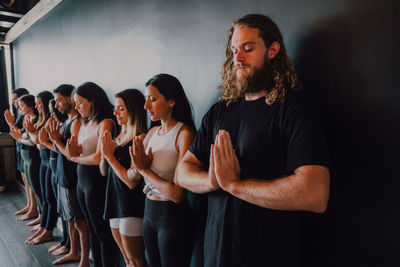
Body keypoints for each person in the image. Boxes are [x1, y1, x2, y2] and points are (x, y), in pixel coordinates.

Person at [177, 14, 330, 267]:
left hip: (268, 255)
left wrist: (235, 185)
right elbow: (182, 172)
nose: (237, 58)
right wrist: (212, 181)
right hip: (215, 255)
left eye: (248, 49)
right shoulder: (220, 110)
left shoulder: (292, 108)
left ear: (272, 50)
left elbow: (315, 194)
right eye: (234, 50)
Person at [130, 73, 195, 267]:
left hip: (172, 218)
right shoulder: (151, 133)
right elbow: (133, 177)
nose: (146, 106)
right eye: (145, 100)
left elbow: (177, 194)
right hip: (149, 213)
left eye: (152, 99)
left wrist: (144, 170)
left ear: (172, 101)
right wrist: (136, 163)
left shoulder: (184, 134)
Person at [67, 82, 118, 267]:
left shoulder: (106, 122)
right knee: (91, 229)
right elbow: (80, 152)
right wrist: (75, 153)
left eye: (80, 102)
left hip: (96, 181)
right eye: (75, 103)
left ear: (93, 100)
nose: (77, 107)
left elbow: (98, 157)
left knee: (102, 232)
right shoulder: (83, 123)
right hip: (82, 180)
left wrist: (75, 158)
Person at [100, 89, 147, 267]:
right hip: (114, 202)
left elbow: (131, 182)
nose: (115, 113)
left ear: (133, 110)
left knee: (136, 260)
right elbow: (104, 171)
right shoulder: (119, 137)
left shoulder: (141, 138)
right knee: (127, 259)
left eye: (120, 108)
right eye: (115, 108)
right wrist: (105, 153)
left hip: (131, 205)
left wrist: (110, 156)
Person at [47, 84, 88, 266]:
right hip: (62, 175)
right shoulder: (65, 121)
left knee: (79, 221)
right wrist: (50, 140)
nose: (56, 105)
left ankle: (84, 258)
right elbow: (60, 150)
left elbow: (72, 155)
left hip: (72, 177)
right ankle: (73, 250)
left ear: (70, 99)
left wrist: (55, 140)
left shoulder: (77, 123)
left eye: (59, 100)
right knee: (69, 218)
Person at [24, 90, 56, 245]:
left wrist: (30, 133)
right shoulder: (42, 120)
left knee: (50, 198)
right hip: (43, 161)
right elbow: (36, 140)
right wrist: (31, 134)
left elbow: (38, 142)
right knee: (44, 196)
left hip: (49, 161)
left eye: (39, 103)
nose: (36, 106)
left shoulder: (50, 119)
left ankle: (48, 230)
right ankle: (43, 226)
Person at [9, 94, 42, 225]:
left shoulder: (37, 119)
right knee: (31, 185)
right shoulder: (27, 118)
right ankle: (36, 212)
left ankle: (41, 215)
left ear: (30, 106)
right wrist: (21, 137)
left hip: (33, 157)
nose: (20, 108)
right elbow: (23, 136)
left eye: (22, 105)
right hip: (25, 156)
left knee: (38, 189)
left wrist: (20, 137)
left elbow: (32, 142)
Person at [3, 88, 33, 219]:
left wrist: (10, 123)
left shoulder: (25, 115)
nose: (14, 103)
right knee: (25, 180)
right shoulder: (20, 113)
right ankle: (29, 205)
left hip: (27, 150)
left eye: (15, 99)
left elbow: (18, 133)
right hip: (20, 148)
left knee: (29, 181)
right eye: (13, 100)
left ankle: (33, 208)